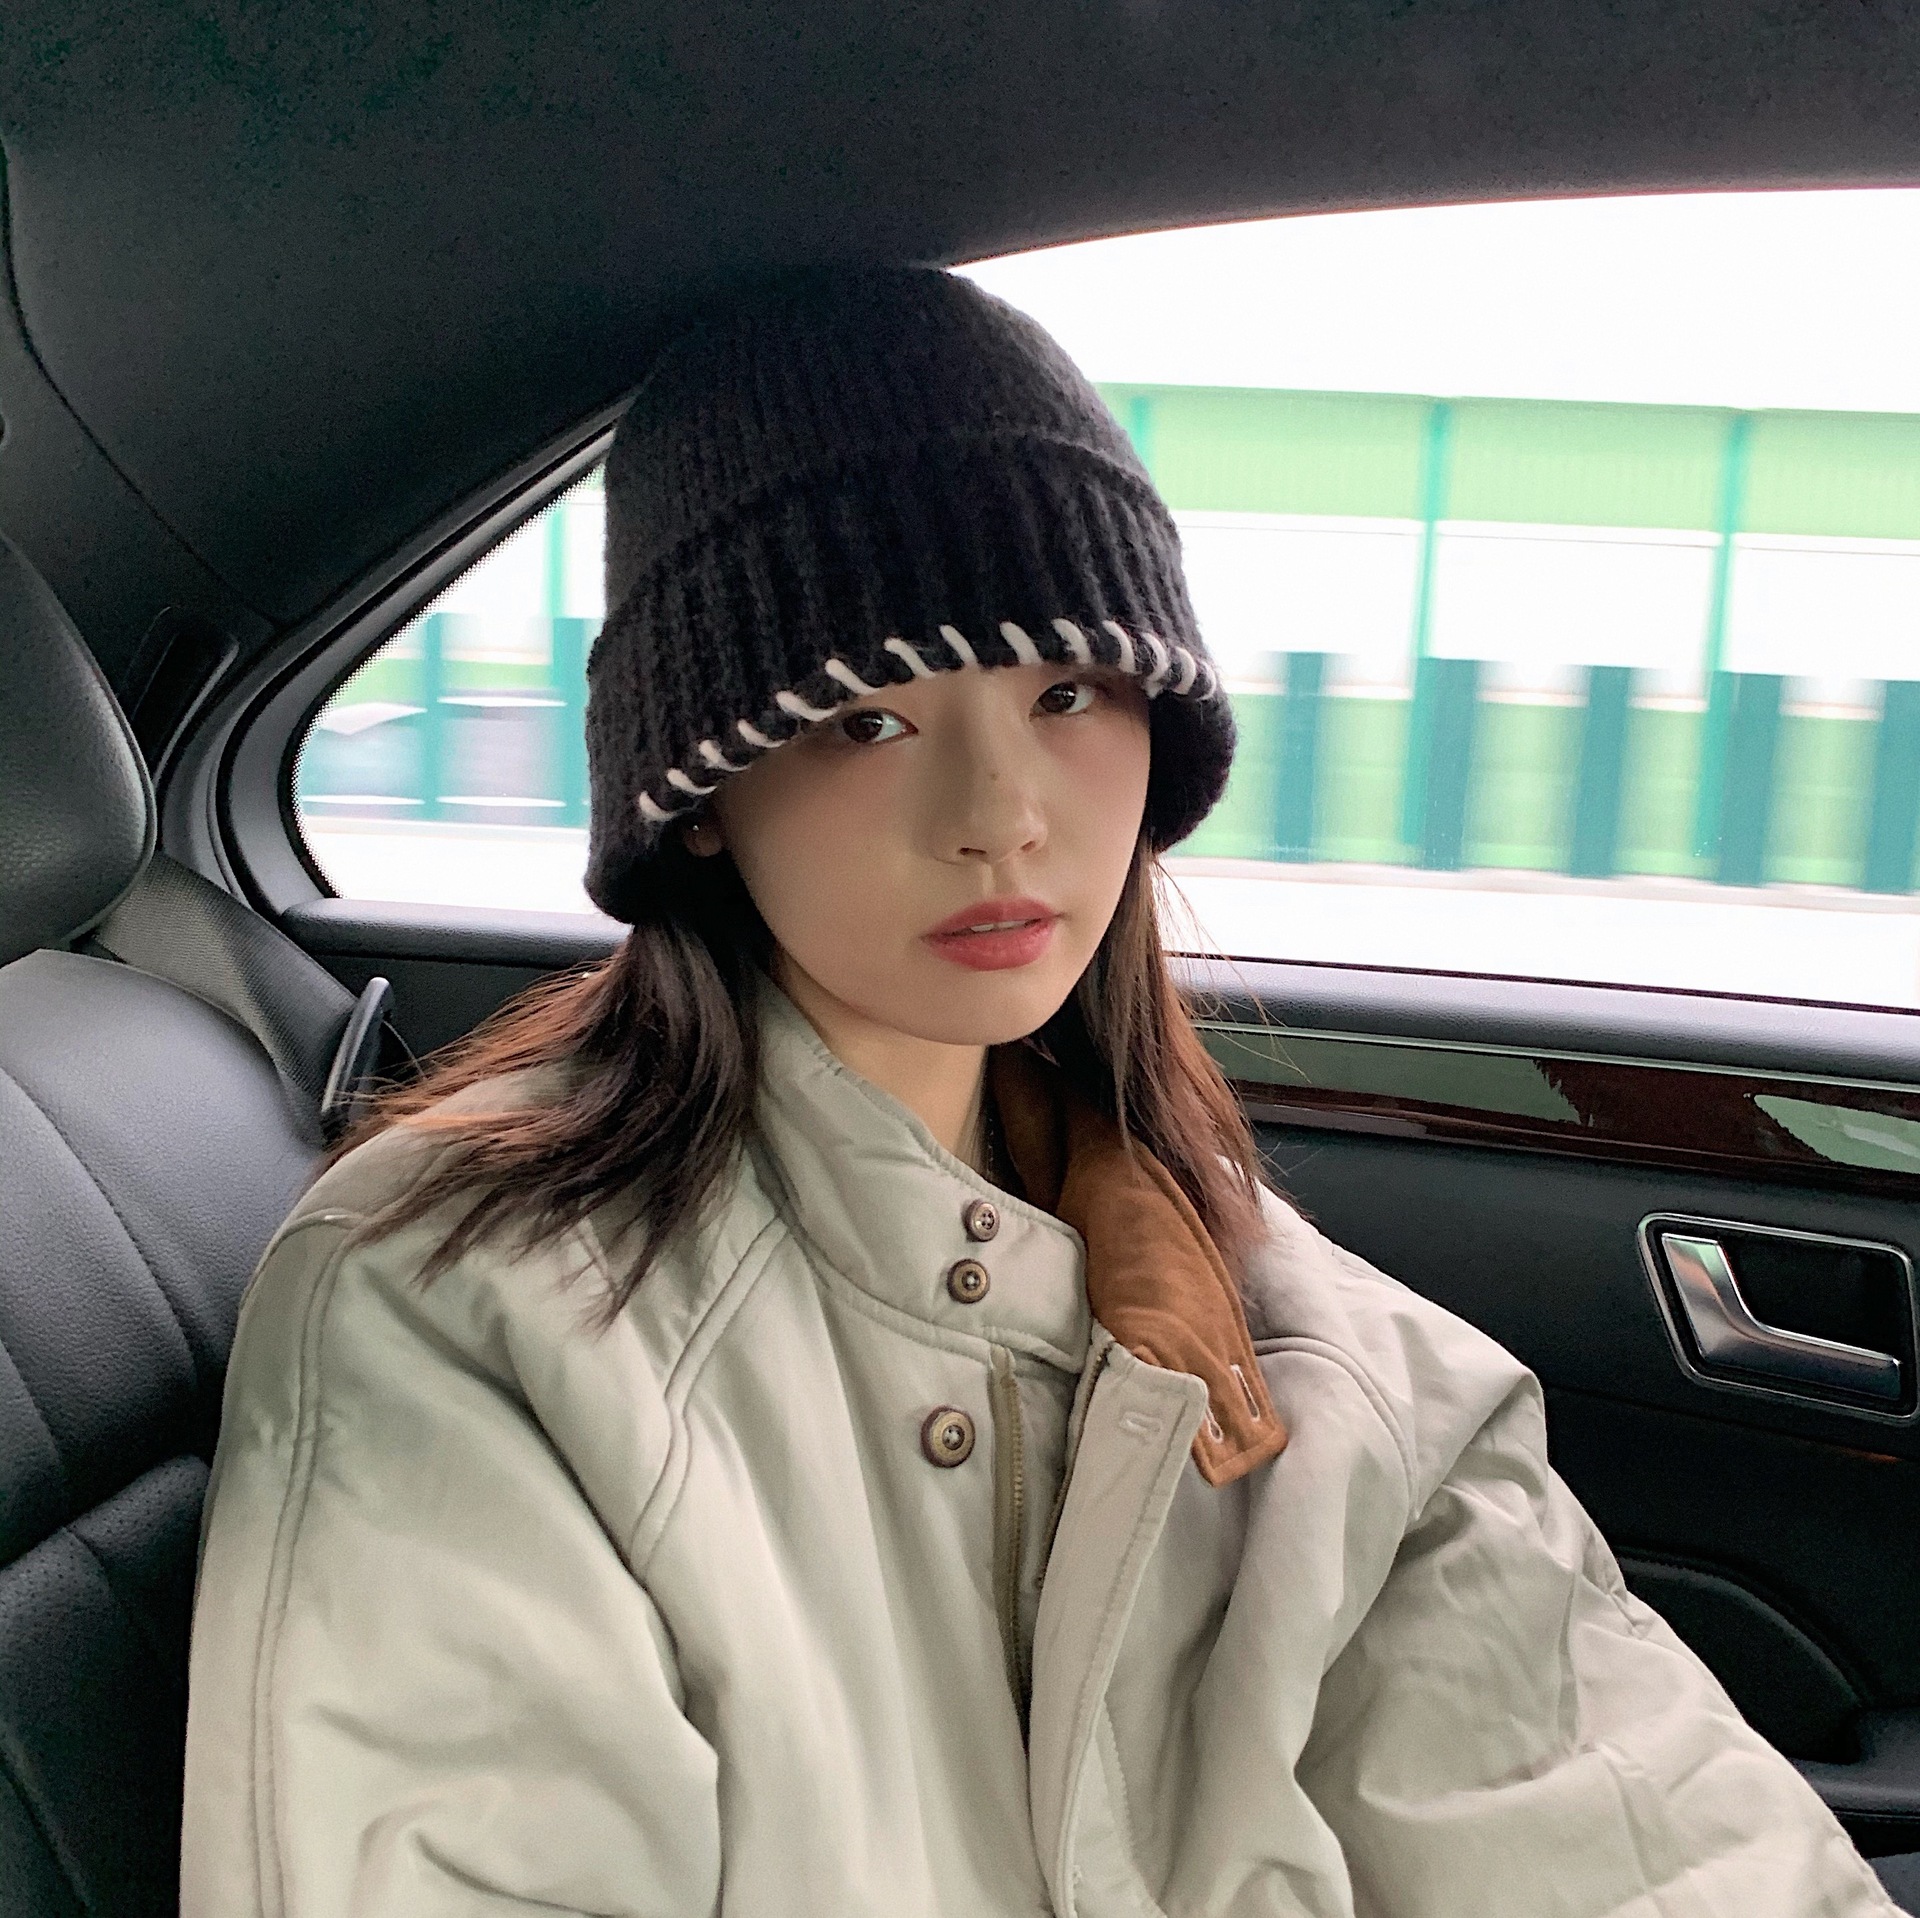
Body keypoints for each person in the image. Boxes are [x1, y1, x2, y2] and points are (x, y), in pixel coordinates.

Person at [180, 264, 1896, 1917]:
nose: (1000, 811)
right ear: (698, 795)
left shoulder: (1242, 1292)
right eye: (864, 718)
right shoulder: (470, 1305)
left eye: (1067, 691)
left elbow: (1612, 1817)